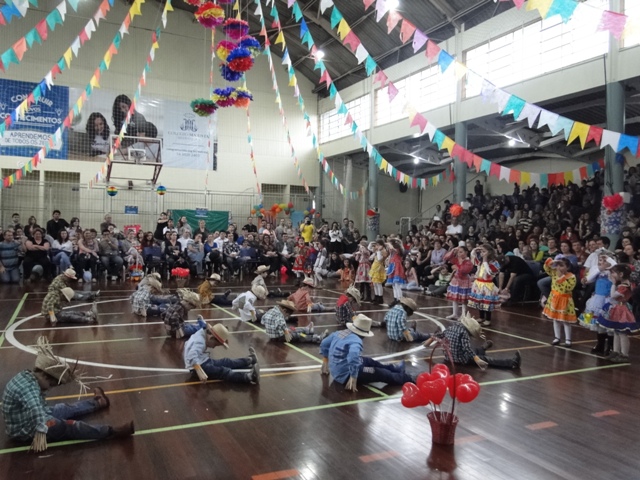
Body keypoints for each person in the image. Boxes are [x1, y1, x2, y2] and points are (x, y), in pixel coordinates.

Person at [1, 337, 134, 452]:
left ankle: (98, 402)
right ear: (46, 377)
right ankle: (110, 431)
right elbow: (37, 413)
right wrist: (42, 433)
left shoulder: (27, 376)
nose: (49, 389)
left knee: (63, 408)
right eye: (51, 385)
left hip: (31, 419)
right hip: (27, 430)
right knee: (69, 426)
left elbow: (37, 409)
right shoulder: (29, 389)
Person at [320, 314, 413, 391]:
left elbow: (324, 343)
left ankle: (395, 369)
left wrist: (325, 359)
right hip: (346, 375)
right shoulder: (356, 340)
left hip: (337, 371)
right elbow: (353, 357)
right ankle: (409, 378)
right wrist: (353, 375)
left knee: (370, 361)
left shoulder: (339, 333)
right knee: (381, 373)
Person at [425, 313, 521, 369]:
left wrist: (430, 339)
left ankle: (482, 348)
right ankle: (512, 362)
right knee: (486, 359)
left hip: (449, 357)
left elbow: (432, 340)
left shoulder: (450, 328)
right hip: (461, 359)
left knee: (474, 350)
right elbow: (467, 349)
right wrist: (477, 359)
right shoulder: (464, 333)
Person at [184, 324, 260, 384]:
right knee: (223, 371)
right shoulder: (200, 341)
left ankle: (249, 360)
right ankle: (249, 377)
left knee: (226, 361)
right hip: (197, 366)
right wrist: (199, 371)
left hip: (203, 360)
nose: (214, 347)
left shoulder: (202, 334)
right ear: (211, 338)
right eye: (215, 344)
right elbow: (191, 356)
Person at [593, 264, 638, 363]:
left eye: (613, 273)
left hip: (621, 310)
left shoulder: (624, 286)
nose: (611, 275)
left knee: (622, 333)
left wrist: (613, 284)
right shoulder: (625, 284)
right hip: (618, 308)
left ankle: (624, 354)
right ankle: (616, 351)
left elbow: (613, 295)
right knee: (616, 331)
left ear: (620, 274)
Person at [578, 255, 616, 356]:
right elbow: (589, 279)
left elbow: (616, 268)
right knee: (599, 323)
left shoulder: (613, 271)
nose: (602, 262)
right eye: (600, 260)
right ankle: (600, 344)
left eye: (604, 260)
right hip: (597, 299)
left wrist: (610, 262)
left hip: (609, 299)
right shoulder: (597, 270)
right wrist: (599, 269)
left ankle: (611, 346)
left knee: (609, 323)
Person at [542, 257, 577, 347]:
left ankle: (568, 339)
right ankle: (557, 337)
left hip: (565, 301)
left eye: (561, 266)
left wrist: (561, 277)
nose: (559, 268)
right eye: (557, 265)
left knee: (565, 321)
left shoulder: (571, 277)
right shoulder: (554, 273)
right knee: (556, 320)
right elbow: (546, 267)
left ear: (567, 267)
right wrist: (552, 262)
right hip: (554, 299)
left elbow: (568, 288)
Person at [261, 300, 327, 343]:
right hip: (279, 337)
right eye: (287, 315)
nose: (286, 316)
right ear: (284, 310)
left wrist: (270, 327)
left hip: (273, 334)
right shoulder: (279, 315)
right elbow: (281, 323)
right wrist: (286, 331)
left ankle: (307, 329)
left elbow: (262, 321)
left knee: (292, 329)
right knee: (299, 335)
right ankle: (317, 338)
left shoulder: (271, 310)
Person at [468, 244, 501, 327]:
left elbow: (490, 271)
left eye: (484, 251)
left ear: (489, 252)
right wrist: (474, 250)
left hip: (487, 285)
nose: (482, 253)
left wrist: (485, 260)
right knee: (480, 301)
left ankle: (488, 319)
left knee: (487, 303)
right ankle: (481, 317)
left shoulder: (494, 262)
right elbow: (473, 259)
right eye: (481, 251)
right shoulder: (481, 261)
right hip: (479, 283)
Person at [444, 246, 473, 319]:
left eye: (461, 252)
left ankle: (463, 315)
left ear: (466, 252)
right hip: (456, 280)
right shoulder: (458, 259)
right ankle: (455, 314)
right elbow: (446, 258)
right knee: (455, 298)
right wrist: (453, 250)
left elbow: (464, 271)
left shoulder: (468, 262)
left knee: (463, 300)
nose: (459, 254)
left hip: (464, 281)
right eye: (458, 252)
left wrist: (456, 267)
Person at [386, 239, 406, 305]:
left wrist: (389, 244)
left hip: (397, 268)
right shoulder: (391, 253)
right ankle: (396, 299)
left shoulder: (397, 250)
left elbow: (392, 248)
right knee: (394, 285)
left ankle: (400, 300)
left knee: (397, 285)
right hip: (393, 267)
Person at [369, 240, 388, 305]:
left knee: (378, 283)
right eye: (376, 245)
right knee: (375, 283)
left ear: (382, 245)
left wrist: (378, 251)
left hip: (379, 267)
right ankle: (376, 296)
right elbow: (369, 248)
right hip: (375, 267)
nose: (377, 246)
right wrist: (371, 243)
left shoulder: (383, 251)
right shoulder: (377, 251)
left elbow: (380, 259)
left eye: (378, 245)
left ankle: (380, 298)